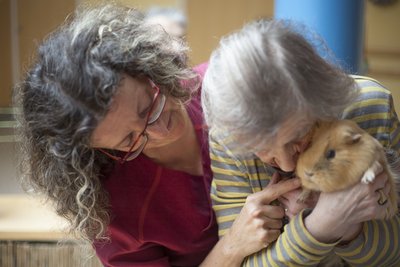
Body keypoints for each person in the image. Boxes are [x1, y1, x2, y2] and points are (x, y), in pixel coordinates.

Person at [14, 5, 301, 267]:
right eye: (129, 141)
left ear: (148, 68)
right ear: (98, 151)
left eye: (147, 107)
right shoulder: (115, 214)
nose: (161, 132)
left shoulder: (226, 88)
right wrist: (232, 247)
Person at [202, 19, 400, 266]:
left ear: (323, 101)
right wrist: (320, 225)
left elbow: (395, 250)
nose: (286, 166)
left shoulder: (372, 106)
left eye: (297, 138)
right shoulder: (227, 140)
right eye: (263, 150)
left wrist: (349, 230)